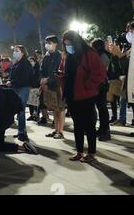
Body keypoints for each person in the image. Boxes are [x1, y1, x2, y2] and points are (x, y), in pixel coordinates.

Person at [59, 30, 106, 163]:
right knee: (77, 125)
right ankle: (79, 151)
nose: (68, 46)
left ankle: (91, 153)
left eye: (70, 43)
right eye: (66, 44)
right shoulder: (66, 55)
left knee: (89, 125)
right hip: (71, 95)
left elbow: (99, 73)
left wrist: (88, 85)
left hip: (85, 95)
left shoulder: (89, 53)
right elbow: (63, 71)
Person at [40, 35, 66, 139]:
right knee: (54, 108)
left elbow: (59, 72)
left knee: (60, 108)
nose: (47, 45)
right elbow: (42, 70)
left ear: (55, 44)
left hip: (58, 85)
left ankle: (60, 131)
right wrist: (42, 80)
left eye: (49, 43)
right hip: (48, 85)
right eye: (46, 43)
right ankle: (56, 130)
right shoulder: (46, 56)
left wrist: (48, 80)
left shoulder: (60, 56)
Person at [7, 45, 34, 142]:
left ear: (22, 52)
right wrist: (9, 80)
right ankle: (20, 131)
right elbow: (12, 75)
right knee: (18, 110)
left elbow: (25, 78)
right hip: (16, 88)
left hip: (23, 88)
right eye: (14, 50)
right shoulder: (16, 63)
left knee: (21, 110)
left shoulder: (25, 63)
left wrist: (12, 82)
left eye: (17, 51)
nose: (14, 52)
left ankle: (22, 132)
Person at [91, 39, 111, 141]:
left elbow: (101, 71)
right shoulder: (100, 55)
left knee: (102, 108)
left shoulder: (103, 56)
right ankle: (102, 128)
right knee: (100, 107)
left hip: (101, 84)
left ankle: (106, 131)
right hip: (99, 84)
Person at [27, 55, 41, 122]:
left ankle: (36, 115)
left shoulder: (38, 69)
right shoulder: (28, 68)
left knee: (36, 102)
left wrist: (34, 85)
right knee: (30, 102)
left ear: (35, 62)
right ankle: (31, 115)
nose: (30, 62)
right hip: (29, 87)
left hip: (36, 87)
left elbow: (38, 78)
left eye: (31, 61)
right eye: (29, 61)